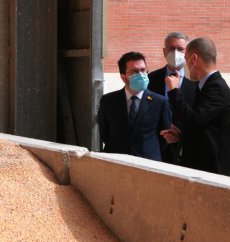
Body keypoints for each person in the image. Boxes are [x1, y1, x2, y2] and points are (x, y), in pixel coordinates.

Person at [161, 37, 230, 176]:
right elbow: (202, 126)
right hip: (198, 164)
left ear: (193, 59)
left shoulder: (217, 87)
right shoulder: (203, 85)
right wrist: (180, 136)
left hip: (212, 169)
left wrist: (174, 91)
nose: (184, 64)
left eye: (185, 58)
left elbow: (193, 119)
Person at [98, 52, 171, 161]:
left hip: (148, 163)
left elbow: (164, 136)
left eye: (143, 70)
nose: (141, 75)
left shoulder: (159, 102)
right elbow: (104, 132)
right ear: (123, 77)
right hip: (116, 161)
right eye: (135, 72)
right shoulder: (108, 101)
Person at [148, 32, 198, 164]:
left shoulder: (197, 80)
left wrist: (181, 137)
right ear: (164, 52)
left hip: (186, 149)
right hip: (156, 148)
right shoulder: (150, 79)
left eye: (181, 49)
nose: (176, 53)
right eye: (171, 49)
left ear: (188, 52)